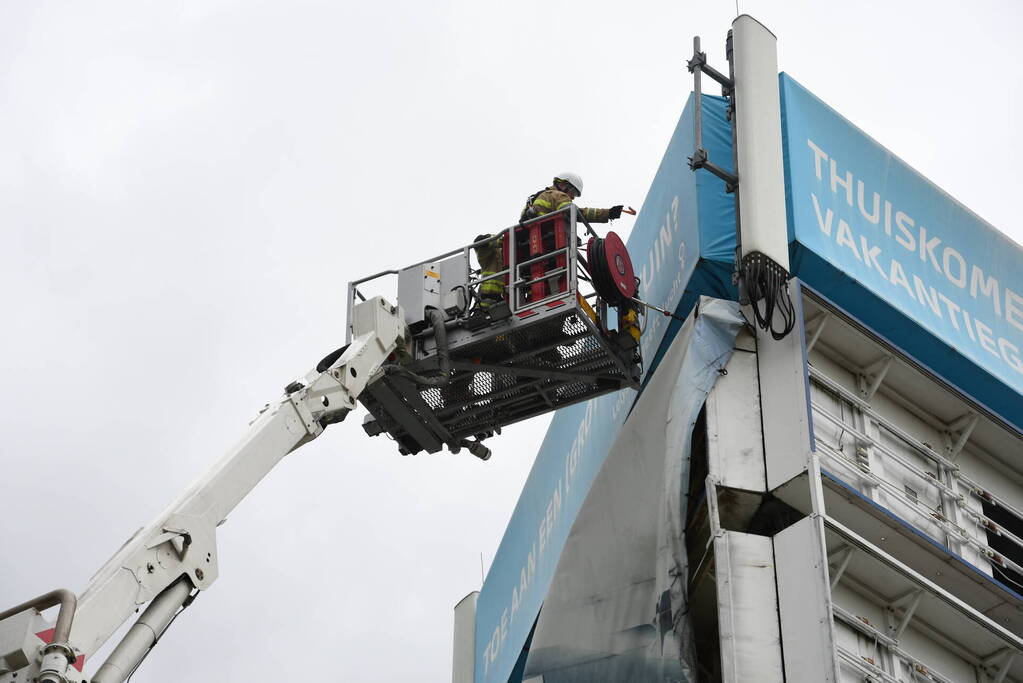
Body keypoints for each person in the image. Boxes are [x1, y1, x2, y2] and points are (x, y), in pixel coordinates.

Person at [473, 173, 630, 308]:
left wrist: (492, 241)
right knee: (550, 284)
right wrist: (608, 213)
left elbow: (518, 231)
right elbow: (577, 212)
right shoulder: (558, 195)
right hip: (547, 246)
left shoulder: (533, 199)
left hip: (528, 250)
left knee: (531, 282)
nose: (572, 197)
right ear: (563, 185)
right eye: (572, 193)